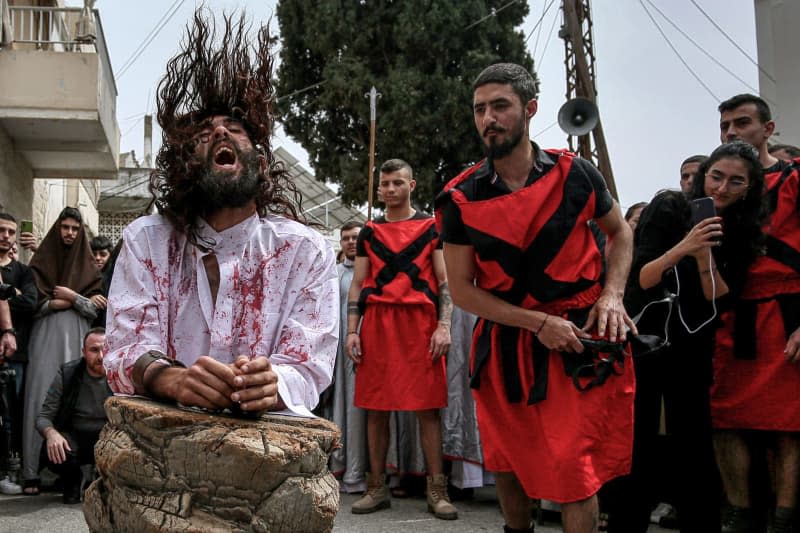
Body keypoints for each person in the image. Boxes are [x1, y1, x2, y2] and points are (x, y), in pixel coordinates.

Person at [103, 11, 338, 419]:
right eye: (202, 133)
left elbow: (310, 366)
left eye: (234, 127)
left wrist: (273, 382)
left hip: (267, 456)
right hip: (161, 447)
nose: (220, 133)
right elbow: (126, 350)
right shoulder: (147, 240)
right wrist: (170, 378)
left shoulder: (305, 251)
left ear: (261, 164)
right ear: (183, 165)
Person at [436, 63, 636, 533]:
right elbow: (463, 290)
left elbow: (621, 234)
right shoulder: (459, 198)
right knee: (507, 462)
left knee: (574, 467)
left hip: (579, 338)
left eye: (500, 106)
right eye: (480, 109)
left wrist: (612, 295)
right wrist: (536, 323)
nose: (488, 118)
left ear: (529, 110)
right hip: (508, 341)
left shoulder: (578, 174)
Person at [614, 141, 767, 533]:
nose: (722, 188)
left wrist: (704, 258)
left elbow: (719, 298)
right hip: (649, 340)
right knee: (638, 445)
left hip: (695, 346)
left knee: (694, 448)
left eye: (736, 181)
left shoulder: (745, 229)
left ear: (749, 187)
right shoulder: (669, 206)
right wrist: (685, 247)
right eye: (716, 177)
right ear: (703, 176)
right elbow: (642, 278)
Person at [346, 158, 457, 520]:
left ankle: (436, 490)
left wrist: (444, 326)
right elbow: (359, 284)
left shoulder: (431, 228)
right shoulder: (368, 232)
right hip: (378, 324)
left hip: (419, 324)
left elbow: (444, 282)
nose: (390, 189)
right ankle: (376, 487)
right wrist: (351, 331)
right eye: (385, 184)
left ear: (412, 185)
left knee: (428, 409)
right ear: (379, 188)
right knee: (375, 409)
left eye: (397, 183)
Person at [713, 94, 800, 533]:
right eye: (725, 125)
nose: (731, 132)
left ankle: (785, 519)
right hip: (733, 311)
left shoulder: (795, 178)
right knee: (725, 417)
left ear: (767, 130)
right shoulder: (720, 188)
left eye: (741, 123)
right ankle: (740, 515)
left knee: (790, 423)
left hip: (787, 309)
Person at [21, 207, 103, 495]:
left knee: (75, 401)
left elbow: (95, 309)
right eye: (65, 227)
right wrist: (50, 305)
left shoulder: (90, 267)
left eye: (75, 229)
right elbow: (30, 303)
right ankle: (30, 472)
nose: (69, 233)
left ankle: (77, 476)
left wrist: (71, 297)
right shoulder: (40, 263)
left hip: (77, 339)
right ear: (57, 229)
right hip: (45, 339)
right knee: (39, 397)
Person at [36, 327, 111, 504]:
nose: (101, 356)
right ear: (84, 352)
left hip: (110, 436)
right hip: (75, 436)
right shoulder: (68, 373)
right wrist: (51, 434)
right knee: (55, 448)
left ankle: (102, 481)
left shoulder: (121, 374)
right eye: (94, 350)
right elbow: (43, 416)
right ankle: (73, 481)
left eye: (105, 349)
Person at [328, 221, 368, 493]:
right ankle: (346, 467)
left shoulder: (374, 272)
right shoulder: (335, 274)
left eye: (356, 237)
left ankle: (371, 473)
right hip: (341, 353)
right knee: (345, 407)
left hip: (370, 349)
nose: (351, 242)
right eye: (346, 238)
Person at [0, 213, 37, 495]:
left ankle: (9, 471)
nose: (7, 236)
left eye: (11, 232)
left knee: (11, 413)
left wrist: (7, 292)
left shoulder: (23, 272)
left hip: (15, 353)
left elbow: (30, 303)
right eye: (1, 230)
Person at [88, 236, 113, 328]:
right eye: (94, 254)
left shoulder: (115, 278)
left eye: (103, 254)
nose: (98, 258)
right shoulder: (83, 277)